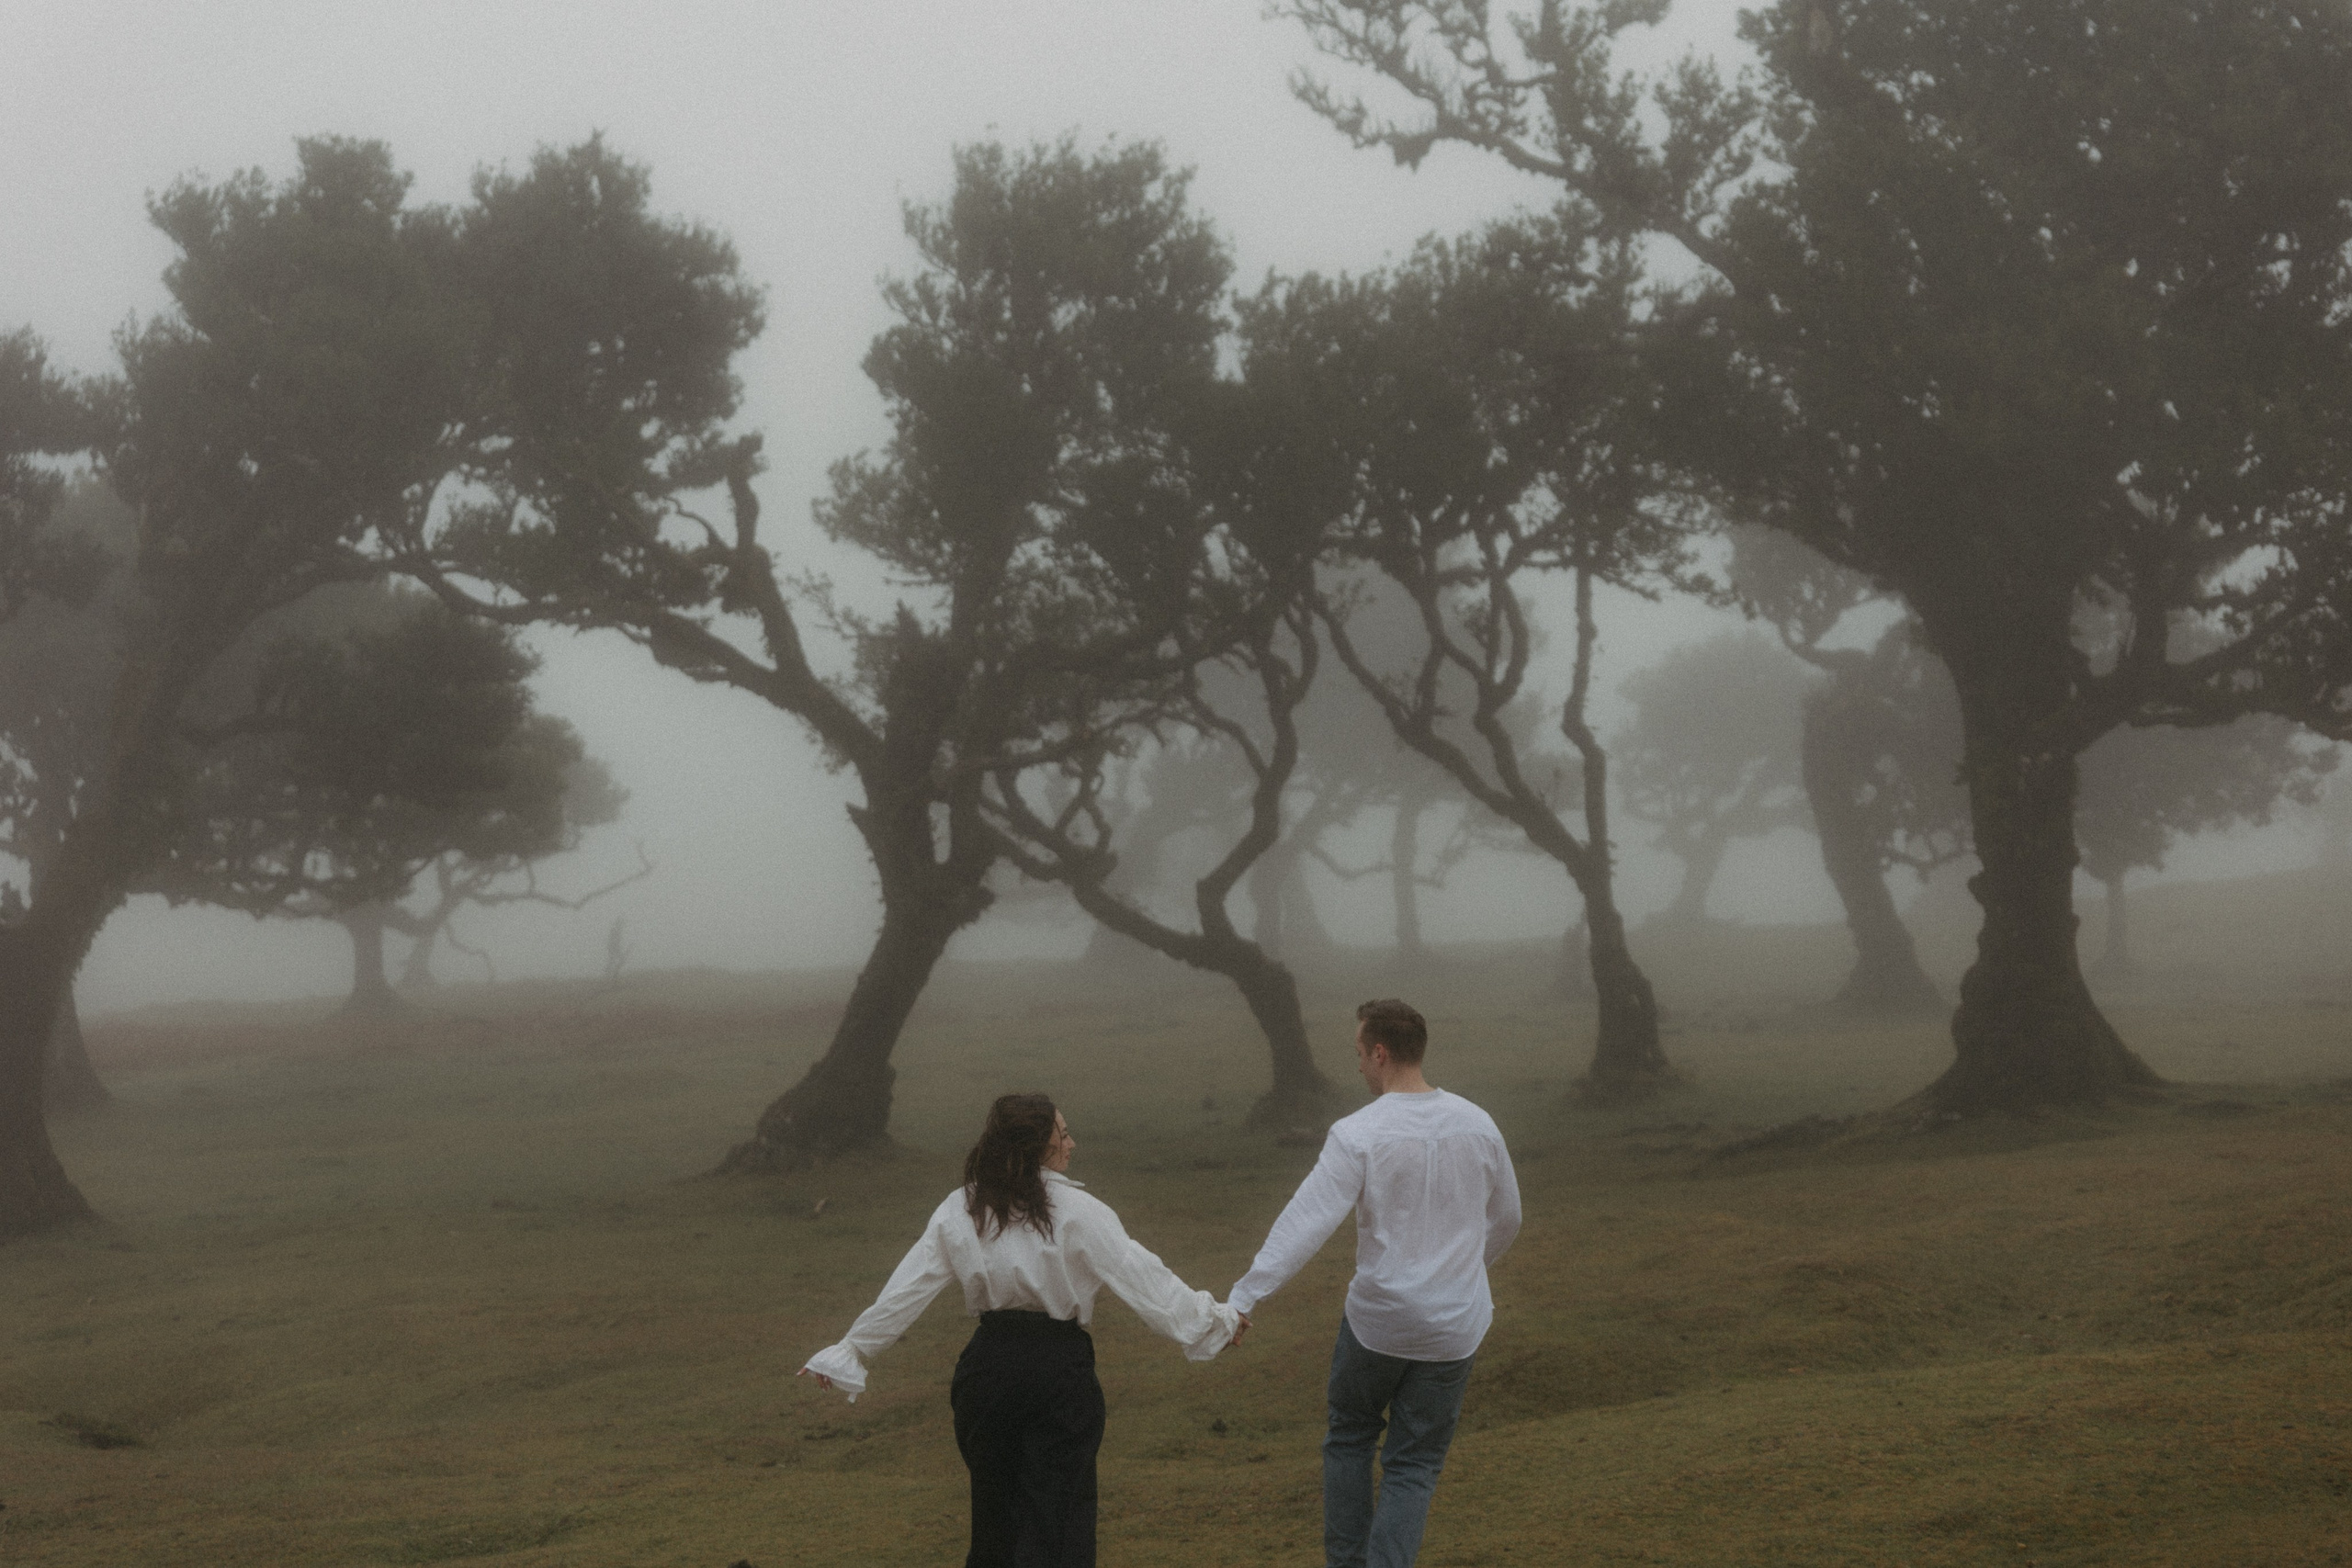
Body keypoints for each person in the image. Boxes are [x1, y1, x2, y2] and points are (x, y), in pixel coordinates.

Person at [800, 1092, 1241, 1568]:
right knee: (1058, 1526)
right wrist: (1214, 1323)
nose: (1072, 1144)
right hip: (1058, 1373)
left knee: (995, 1525)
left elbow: (908, 1286)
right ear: (1036, 1147)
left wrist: (853, 1349)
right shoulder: (1079, 1210)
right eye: (1063, 1135)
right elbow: (1145, 1279)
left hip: (987, 1371)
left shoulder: (963, 1207)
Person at [1228, 998, 1521, 1568]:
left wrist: (1245, 1296)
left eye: (1360, 1053)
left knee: (1350, 1439)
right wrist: (1462, 1273)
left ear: (1381, 1053)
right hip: (1453, 1328)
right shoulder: (1479, 1124)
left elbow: (1306, 1221)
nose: (1359, 1064)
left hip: (1378, 1323)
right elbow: (1508, 1217)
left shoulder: (1358, 1132)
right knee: (1415, 1465)